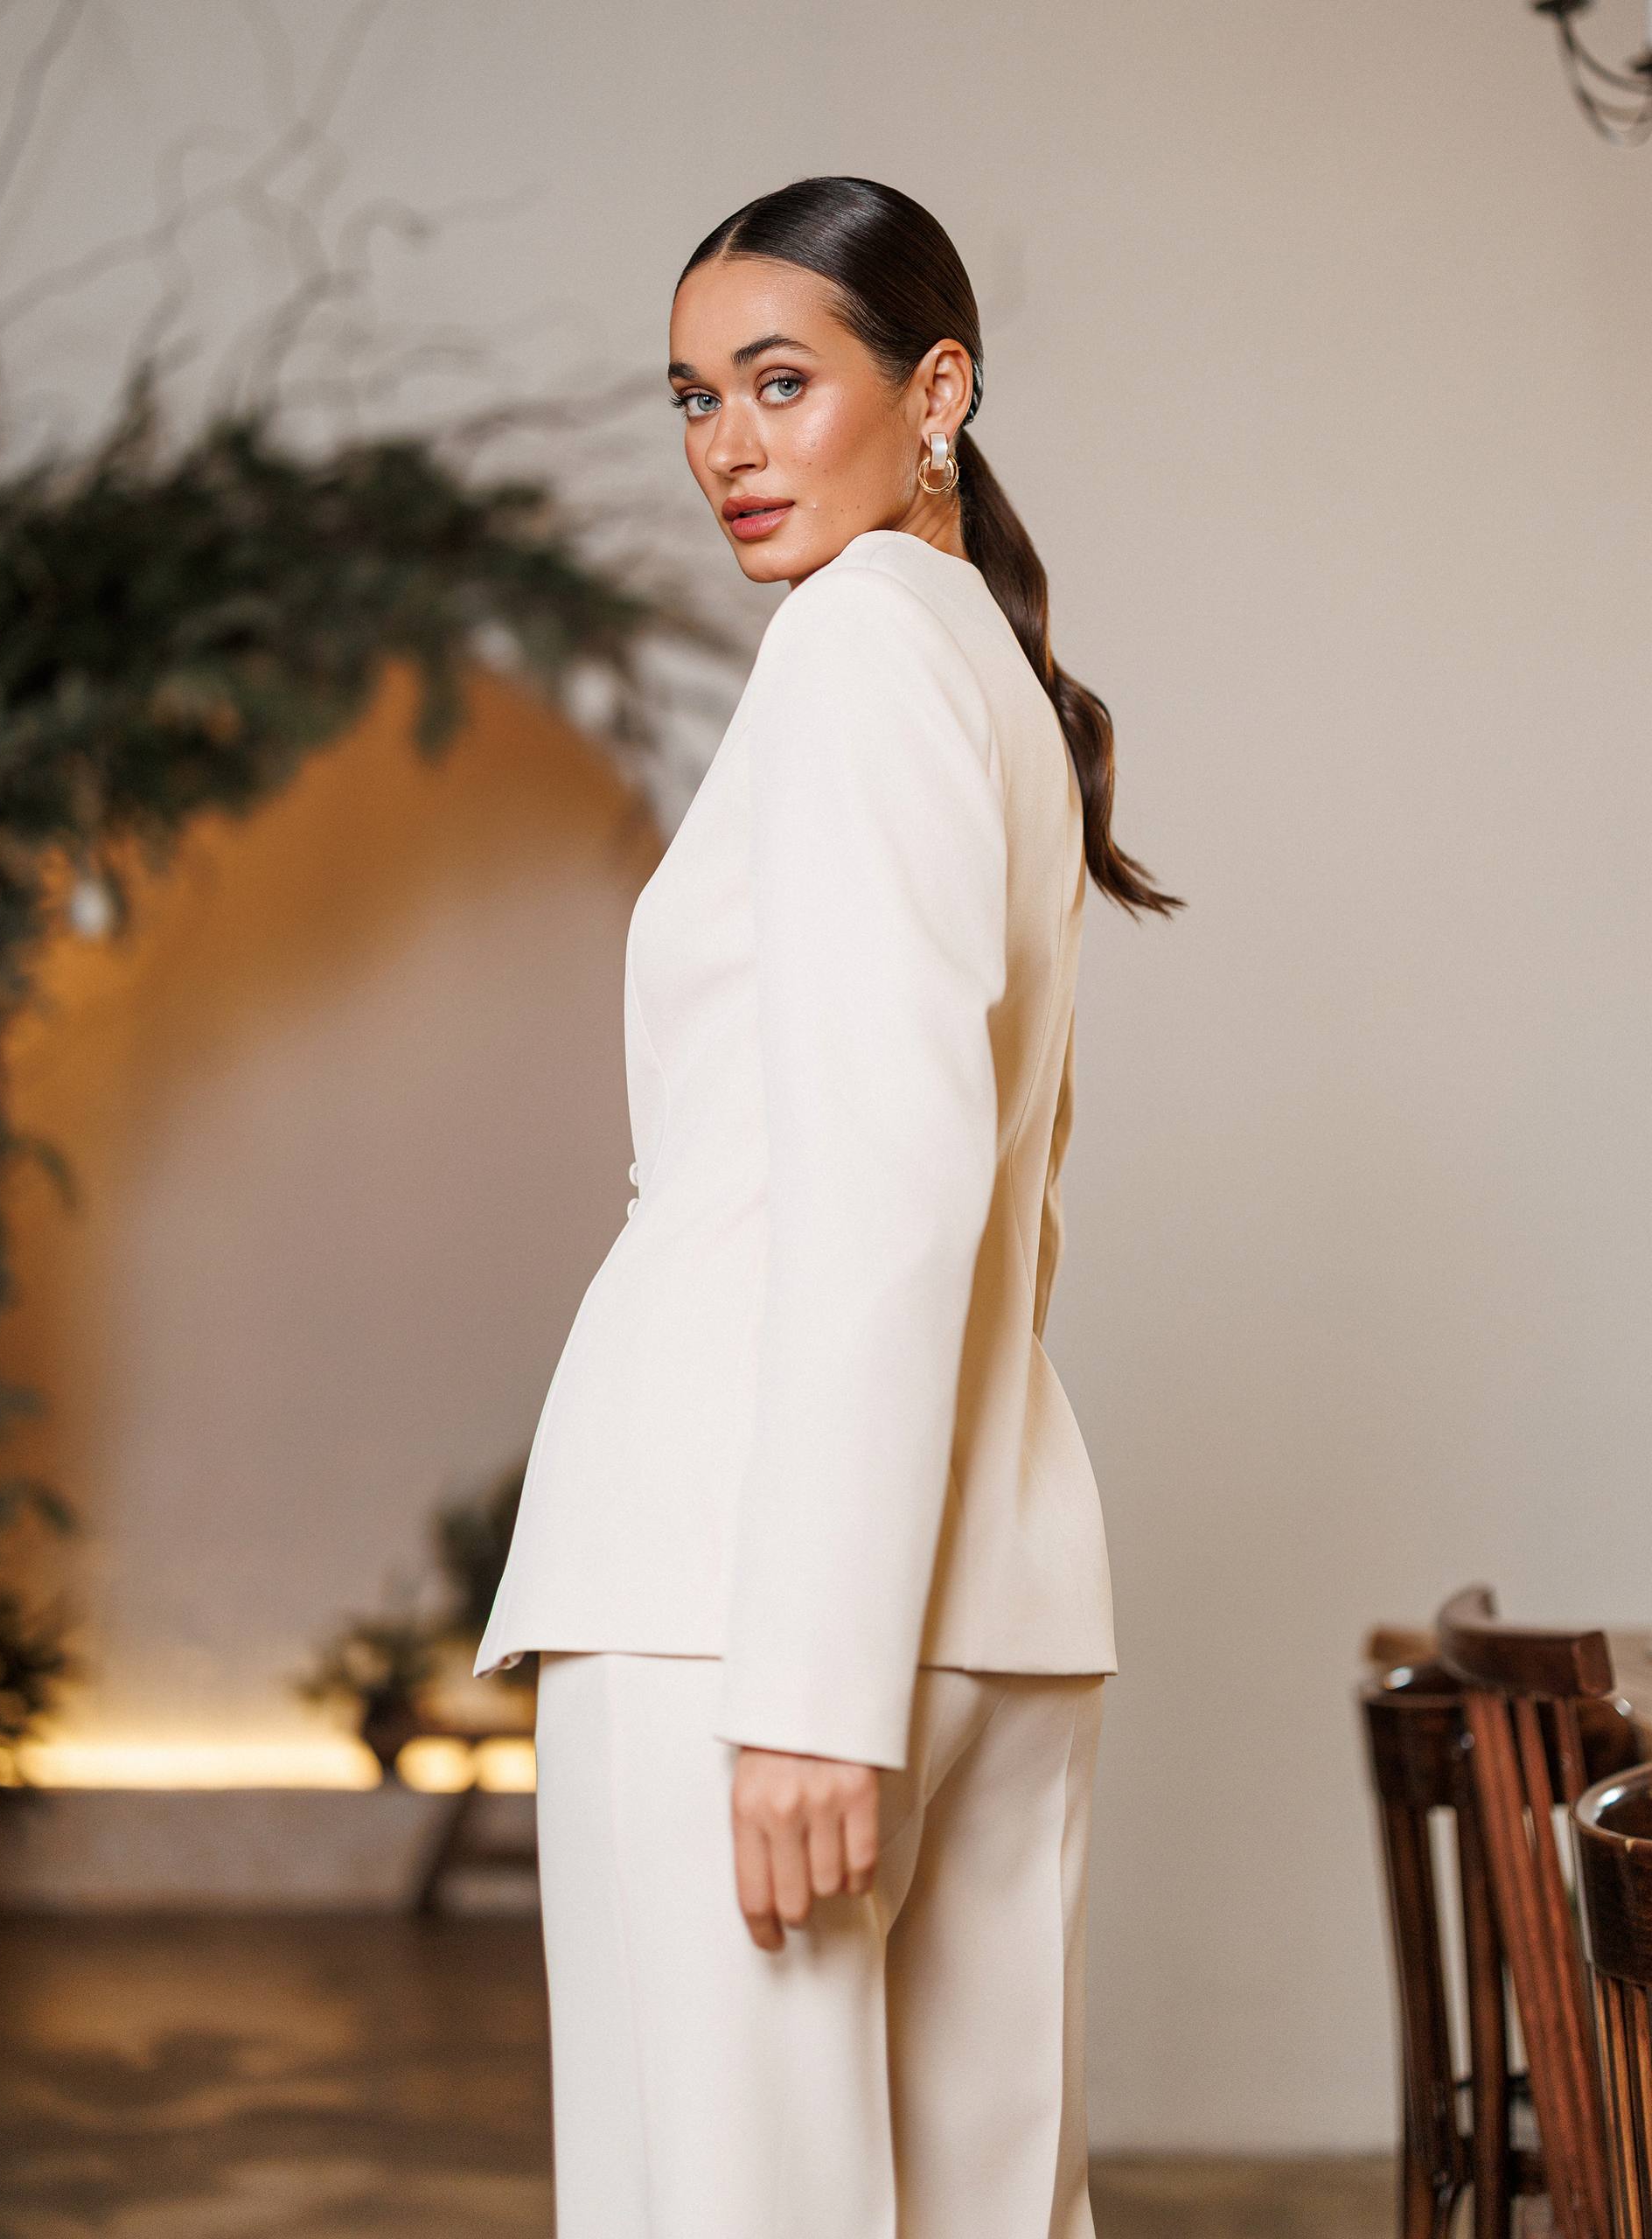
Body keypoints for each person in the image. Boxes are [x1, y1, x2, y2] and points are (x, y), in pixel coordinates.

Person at [472, 174, 1183, 2238]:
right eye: (694, 397)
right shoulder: (984, 673)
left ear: (935, 386)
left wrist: (810, 1678)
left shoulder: (856, 649)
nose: (729, 446)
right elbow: (994, 1202)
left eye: (782, 382)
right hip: (988, 1591)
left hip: (746, 1598)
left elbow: (894, 1173)